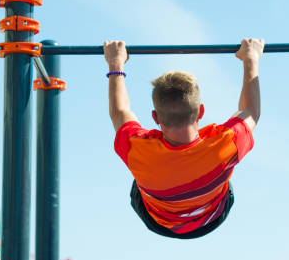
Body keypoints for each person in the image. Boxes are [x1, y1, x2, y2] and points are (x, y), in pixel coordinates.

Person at [103, 38, 264, 239]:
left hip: (158, 221)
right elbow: (250, 111)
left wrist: (115, 63)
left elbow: (120, 112)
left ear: (155, 118)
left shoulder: (138, 147)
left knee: (141, 165)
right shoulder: (226, 142)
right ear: (201, 112)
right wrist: (251, 58)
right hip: (211, 217)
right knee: (224, 164)